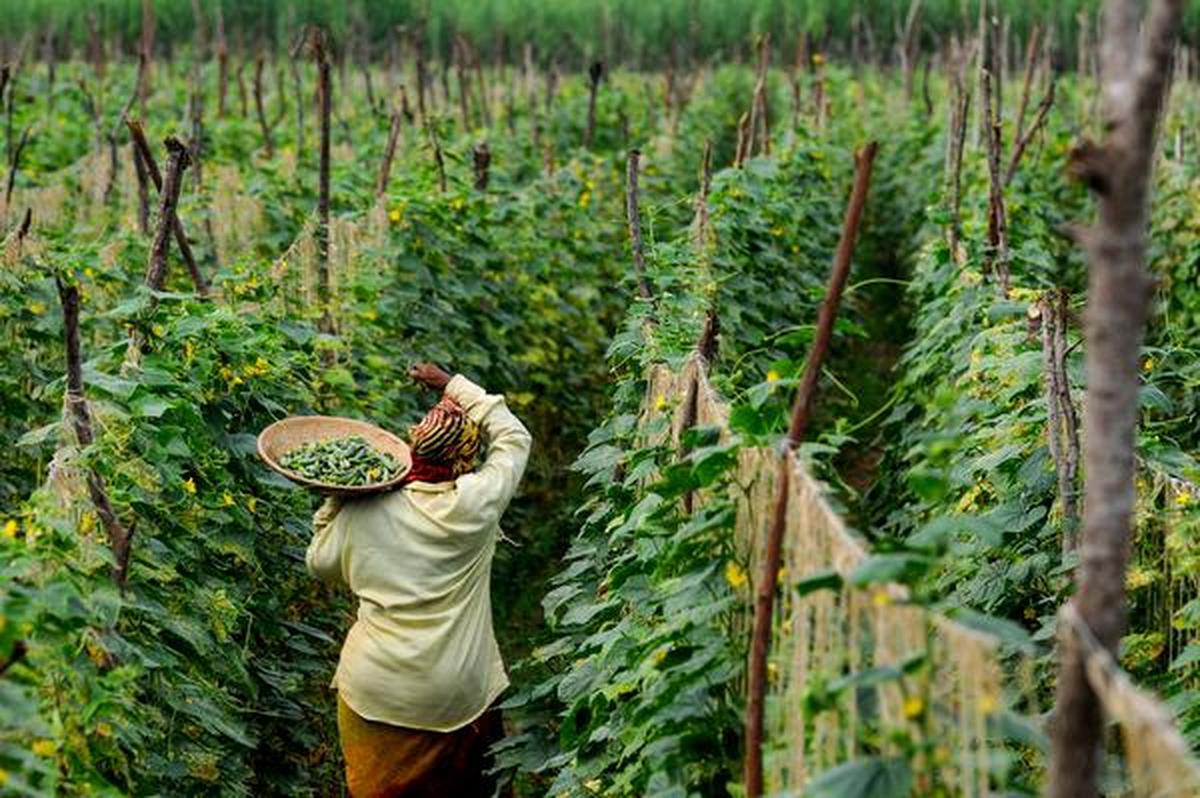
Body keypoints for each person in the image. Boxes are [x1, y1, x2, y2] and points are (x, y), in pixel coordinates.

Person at [306, 363, 532, 797]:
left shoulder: (365, 511)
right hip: (457, 691)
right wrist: (452, 385)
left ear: (414, 451)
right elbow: (514, 436)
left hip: (376, 690)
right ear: (465, 460)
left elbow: (320, 564)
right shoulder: (475, 504)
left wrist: (335, 503)